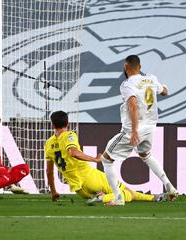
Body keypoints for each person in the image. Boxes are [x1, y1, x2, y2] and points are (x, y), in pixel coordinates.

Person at [101, 55, 179, 206]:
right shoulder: (151, 78)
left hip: (133, 129)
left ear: (125, 67)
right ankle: (170, 187)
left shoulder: (127, 84)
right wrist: (165, 88)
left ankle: (118, 198)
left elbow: (133, 106)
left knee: (106, 159)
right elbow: (164, 92)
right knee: (145, 154)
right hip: (150, 126)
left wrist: (135, 131)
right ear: (140, 67)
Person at [45, 111, 165, 204]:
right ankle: (103, 197)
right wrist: (96, 159)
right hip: (91, 177)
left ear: (53, 125)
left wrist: (54, 192)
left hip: (79, 190)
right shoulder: (69, 135)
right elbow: (73, 152)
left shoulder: (48, 144)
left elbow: (49, 172)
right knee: (125, 193)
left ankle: (153, 198)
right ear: (67, 123)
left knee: (123, 191)